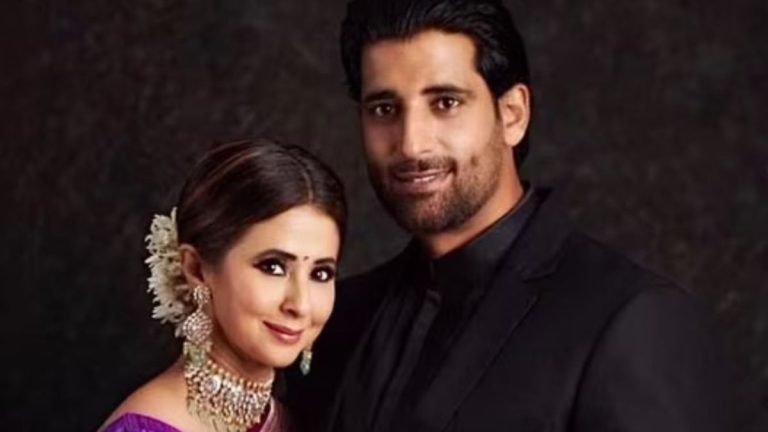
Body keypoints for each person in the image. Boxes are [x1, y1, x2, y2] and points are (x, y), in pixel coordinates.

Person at [284, 0, 735, 431]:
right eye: (384, 109)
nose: (411, 144)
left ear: (513, 114)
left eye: (445, 103)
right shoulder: (332, 316)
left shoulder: (631, 320)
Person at [100, 139, 347, 432]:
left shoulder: (306, 421)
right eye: (273, 267)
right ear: (196, 269)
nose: (301, 304)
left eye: (320, 273)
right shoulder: (145, 427)